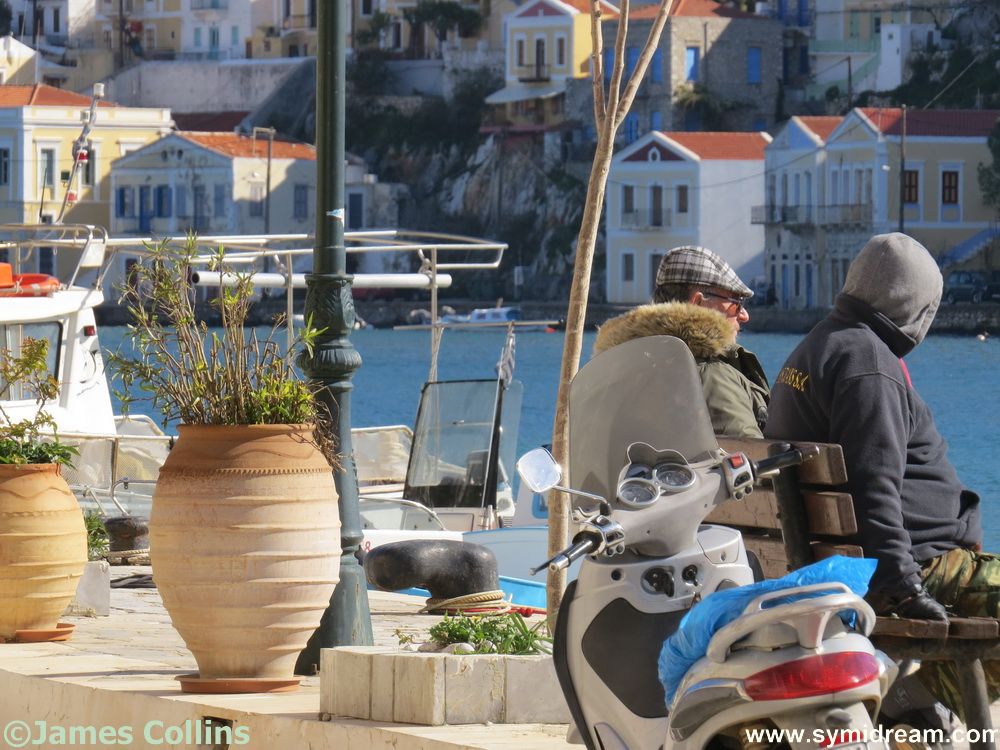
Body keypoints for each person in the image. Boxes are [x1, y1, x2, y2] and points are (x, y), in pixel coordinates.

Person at [764, 232, 992, 721]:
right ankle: (915, 697)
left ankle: (919, 704)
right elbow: (873, 487)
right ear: (917, 306)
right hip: (917, 567)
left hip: (841, 559)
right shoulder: (867, 363)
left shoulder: (818, 347)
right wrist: (903, 586)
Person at [594, 245, 769, 437]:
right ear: (699, 303)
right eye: (736, 303)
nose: (744, 315)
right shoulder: (712, 376)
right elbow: (749, 452)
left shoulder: (615, 372)